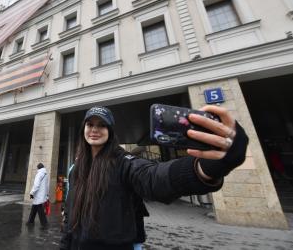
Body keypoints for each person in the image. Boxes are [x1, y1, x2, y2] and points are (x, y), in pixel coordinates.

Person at [60, 105, 249, 250]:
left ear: (110, 132)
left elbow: (153, 177)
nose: (95, 129)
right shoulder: (75, 168)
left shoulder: (124, 162)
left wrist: (205, 168)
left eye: (102, 125)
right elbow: (69, 214)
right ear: (83, 129)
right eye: (90, 124)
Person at [26, 163, 50, 228]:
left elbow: (36, 185)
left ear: (38, 168)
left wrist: (32, 193)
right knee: (34, 207)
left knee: (39, 208)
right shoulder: (46, 174)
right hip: (42, 194)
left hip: (38, 195)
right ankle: (30, 221)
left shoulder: (39, 174)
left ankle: (44, 224)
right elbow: (47, 186)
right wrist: (47, 194)